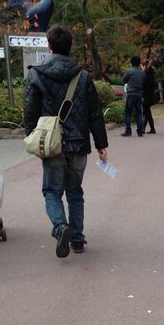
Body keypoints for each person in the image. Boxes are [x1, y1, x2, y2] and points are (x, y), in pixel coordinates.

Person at [24, 24, 108, 257]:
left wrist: (31, 137)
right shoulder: (83, 76)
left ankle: (61, 227)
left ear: (49, 46)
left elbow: (30, 111)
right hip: (78, 142)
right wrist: (101, 144)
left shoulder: (36, 73)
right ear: (70, 47)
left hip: (52, 143)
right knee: (75, 190)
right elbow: (94, 113)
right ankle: (78, 239)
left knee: (52, 190)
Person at [121, 55, 145, 137]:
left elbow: (124, 80)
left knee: (128, 112)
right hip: (139, 94)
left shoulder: (129, 71)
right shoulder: (142, 72)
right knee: (139, 113)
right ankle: (140, 131)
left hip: (131, 94)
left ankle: (128, 130)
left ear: (131, 63)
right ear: (139, 63)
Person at [141, 58, 156, 134]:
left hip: (146, 96)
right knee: (147, 112)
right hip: (150, 95)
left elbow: (143, 85)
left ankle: (145, 129)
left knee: (146, 112)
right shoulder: (151, 73)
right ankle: (150, 129)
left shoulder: (146, 75)